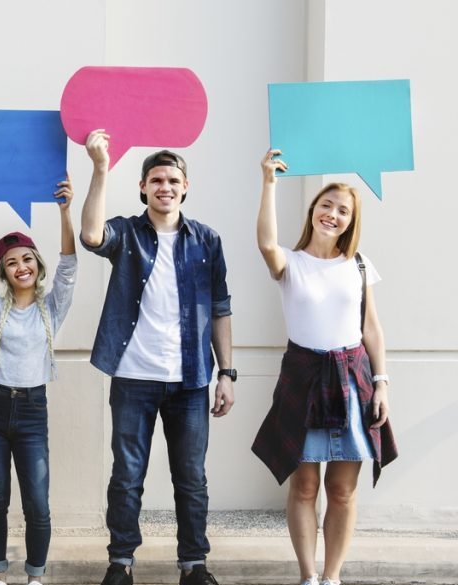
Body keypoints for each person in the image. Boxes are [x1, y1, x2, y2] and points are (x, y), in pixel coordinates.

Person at [80, 130, 235, 585]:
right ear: (143, 187)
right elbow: (91, 234)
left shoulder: (206, 240)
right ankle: (120, 562)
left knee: (191, 478)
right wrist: (100, 167)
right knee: (127, 476)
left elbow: (221, 309)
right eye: (155, 180)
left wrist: (226, 373)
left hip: (190, 380)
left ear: (185, 186)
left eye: (172, 179)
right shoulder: (128, 233)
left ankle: (193, 565)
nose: (164, 186)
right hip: (133, 377)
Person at [251, 149, 398, 585]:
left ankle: (332, 577)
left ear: (351, 221)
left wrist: (382, 382)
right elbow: (264, 242)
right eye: (326, 205)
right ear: (314, 210)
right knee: (304, 488)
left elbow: (371, 329)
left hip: (353, 382)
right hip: (303, 378)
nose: (332, 214)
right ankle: (308, 576)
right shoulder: (290, 263)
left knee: (342, 491)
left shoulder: (358, 264)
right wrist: (268, 182)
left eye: (343, 210)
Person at [0, 176, 77, 585]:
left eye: (27, 259)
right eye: (11, 262)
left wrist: (66, 212)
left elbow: (69, 268)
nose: (21, 267)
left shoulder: (51, 308)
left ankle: (34, 576)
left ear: (37, 264)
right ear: (6, 272)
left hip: (32, 410)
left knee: (38, 502)